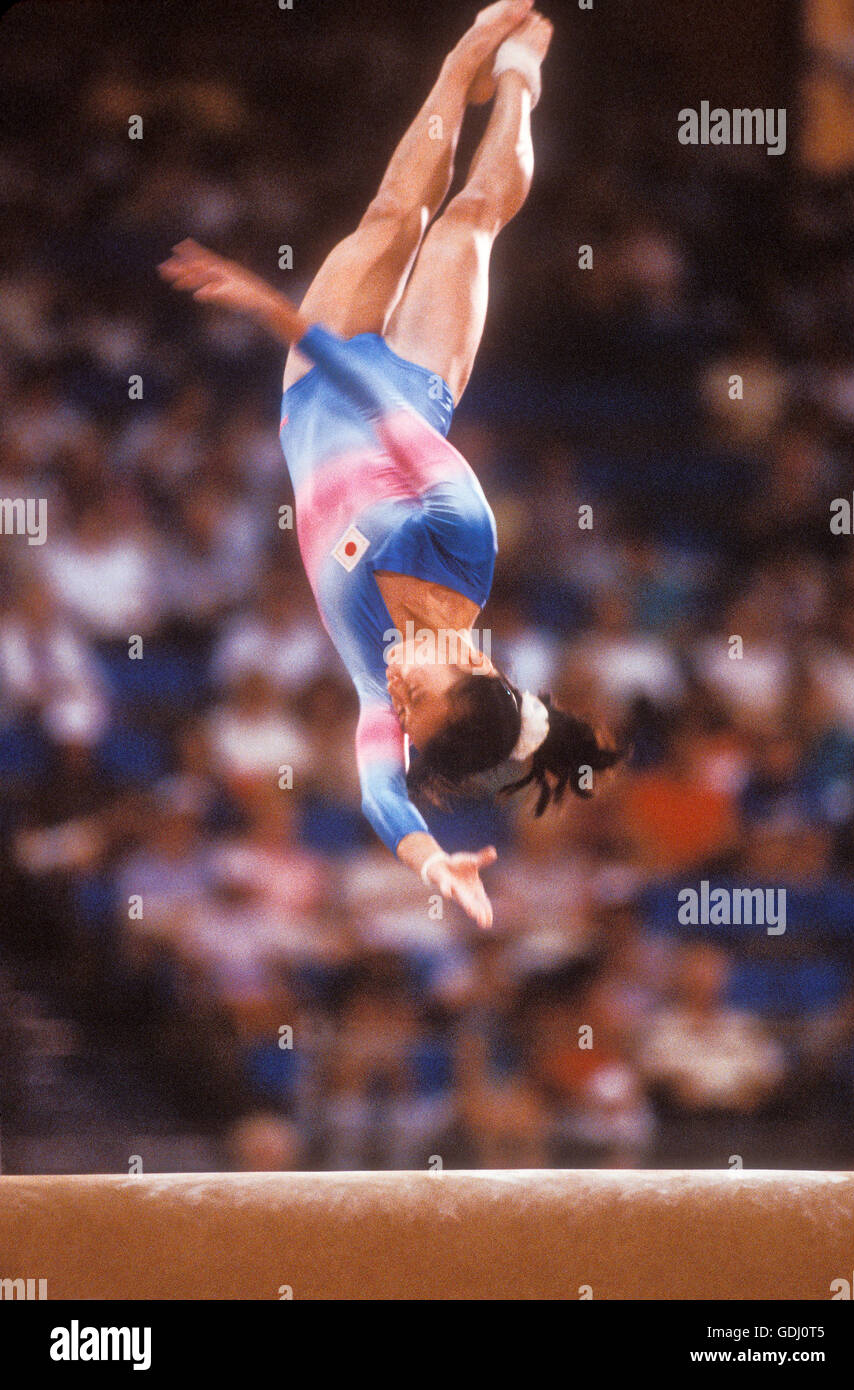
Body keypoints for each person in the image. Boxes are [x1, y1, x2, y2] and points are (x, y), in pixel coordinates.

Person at [160, 3, 619, 928]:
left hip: (308, 396)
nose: (395, 704)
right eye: (422, 702)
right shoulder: (466, 545)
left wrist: (429, 860)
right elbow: (380, 406)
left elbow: (378, 795)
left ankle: (466, 68)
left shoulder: (384, 675)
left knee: (385, 213)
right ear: (475, 671)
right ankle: (503, 71)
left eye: (402, 721)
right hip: (397, 389)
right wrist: (268, 305)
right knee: (460, 222)